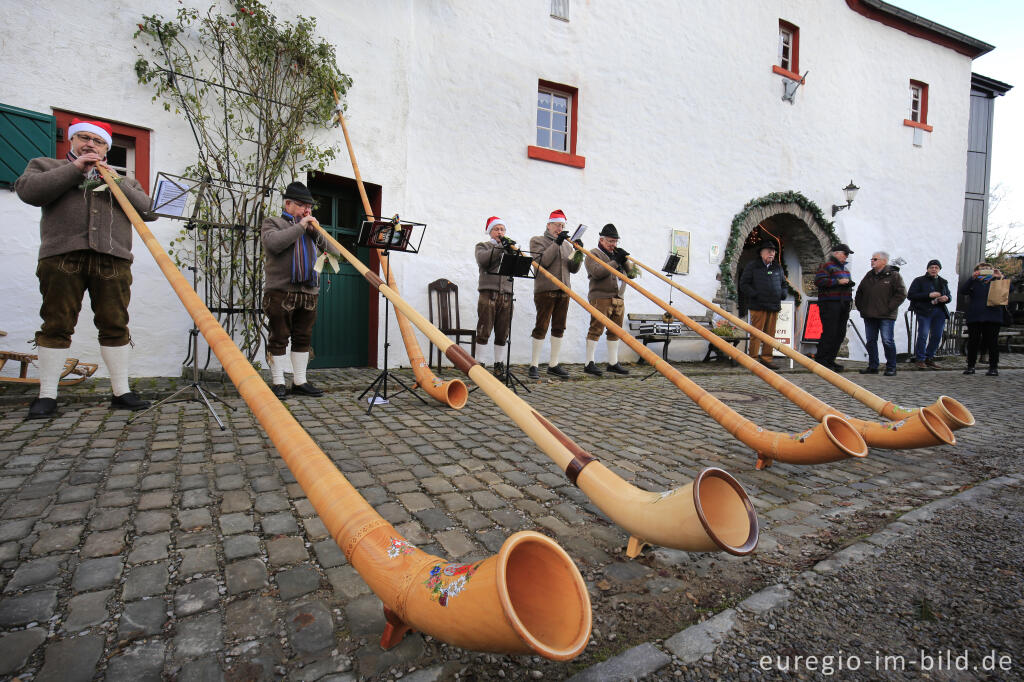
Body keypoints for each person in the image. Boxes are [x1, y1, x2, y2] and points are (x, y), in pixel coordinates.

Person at [14, 118, 156, 419]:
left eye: (98, 141)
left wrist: (114, 180)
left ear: (106, 148)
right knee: (56, 324)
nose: (90, 144)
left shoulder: (125, 180)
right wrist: (76, 168)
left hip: (113, 259)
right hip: (62, 257)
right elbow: (28, 192)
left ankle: (121, 392)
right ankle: (47, 395)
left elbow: (148, 210)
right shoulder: (45, 165)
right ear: (72, 141)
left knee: (115, 324)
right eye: (84, 138)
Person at [261, 181, 339, 398]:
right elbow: (274, 244)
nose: (307, 210)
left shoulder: (311, 229)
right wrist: (301, 226)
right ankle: (278, 383)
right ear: (288, 204)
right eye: (302, 205)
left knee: (303, 337)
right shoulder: (273, 222)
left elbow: (335, 253)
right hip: (280, 291)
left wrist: (316, 232)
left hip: (309, 292)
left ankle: (299, 381)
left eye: (310, 207)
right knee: (278, 337)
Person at [528, 209, 583, 379]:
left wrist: (578, 251)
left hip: (564, 290)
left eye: (562, 225)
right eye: (557, 225)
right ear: (549, 225)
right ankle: (534, 365)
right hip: (545, 290)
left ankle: (553, 364)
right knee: (542, 326)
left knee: (559, 327)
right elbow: (542, 262)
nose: (559, 228)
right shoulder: (537, 241)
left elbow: (573, 269)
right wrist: (556, 243)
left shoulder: (566, 244)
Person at [583, 224, 638, 376]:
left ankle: (613, 363)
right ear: (601, 240)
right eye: (610, 241)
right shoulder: (593, 254)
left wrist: (624, 259)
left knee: (615, 331)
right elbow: (597, 273)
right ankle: (589, 363)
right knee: (596, 329)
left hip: (618, 298)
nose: (613, 245)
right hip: (600, 297)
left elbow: (632, 274)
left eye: (615, 241)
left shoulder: (616, 254)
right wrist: (615, 261)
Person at [854, 251, 907, 376]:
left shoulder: (894, 276)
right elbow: (860, 292)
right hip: (869, 314)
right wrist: (861, 307)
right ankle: (873, 366)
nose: (872, 261)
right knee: (870, 341)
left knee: (887, 341)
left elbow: (901, 294)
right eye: (872, 259)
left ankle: (891, 367)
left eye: (875, 259)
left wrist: (889, 308)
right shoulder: (869, 275)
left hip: (886, 315)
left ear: (884, 261)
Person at [475, 216, 515, 375]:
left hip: (506, 293)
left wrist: (511, 251)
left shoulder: (509, 248)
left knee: (503, 331)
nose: (500, 232)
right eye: (496, 229)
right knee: (484, 328)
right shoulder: (482, 246)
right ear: (490, 231)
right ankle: (479, 364)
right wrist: (499, 247)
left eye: (502, 229)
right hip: (488, 293)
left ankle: (499, 365)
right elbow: (483, 261)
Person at [738, 240, 786, 370]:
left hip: (774, 305)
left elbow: (783, 284)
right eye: (768, 251)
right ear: (761, 253)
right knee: (756, 334)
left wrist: (783, 293)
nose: (771, 253)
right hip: (758, 305)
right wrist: (755, 294)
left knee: (770, 335)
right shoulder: (753, 266)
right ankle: (753, 358)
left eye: (773, 251)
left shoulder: (777, 267)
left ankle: (766, 358)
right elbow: (744, 284)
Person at [813, 244, 856, 372]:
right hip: (830, 304)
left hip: (843, 303)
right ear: (836, 253)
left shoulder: (845, 270)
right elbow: (819, 281)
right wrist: (837, 282)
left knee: (840, 333)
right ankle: (821, 360)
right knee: (829, 332)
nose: (847, 256)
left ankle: (830, 360)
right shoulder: (826, 266)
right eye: (845, 253)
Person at [958, 262, 1006, 376]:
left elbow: (1010, 290)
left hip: (993, 317)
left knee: (992, 343)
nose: (985, 269)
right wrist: (972, 278)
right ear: (977, 270)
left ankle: (993, 367)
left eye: (988, 268)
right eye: (982, 268)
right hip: (975, 316)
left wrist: (1001, 277)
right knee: (973, 342)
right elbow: (963, 290)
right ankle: (971, 366)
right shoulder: (974, 282)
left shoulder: (996, 281)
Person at [906, 259, 952, 369]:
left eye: (936, 267)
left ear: (939, 269)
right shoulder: (919, 281)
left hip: (939, 311)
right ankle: (920, 359)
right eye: (931, 267)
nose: (934, 269)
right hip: (924, 311)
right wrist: (928, 295)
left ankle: (929, 357)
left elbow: (949, 296)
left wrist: (946, 298)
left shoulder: (943, 282)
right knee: (923, 335)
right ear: (927, 269)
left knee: (937, 336)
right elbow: (911, 295)